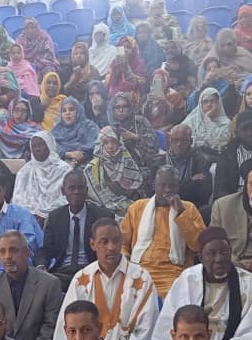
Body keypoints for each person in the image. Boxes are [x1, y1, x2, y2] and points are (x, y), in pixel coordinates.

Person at [54, 217, 159, 340]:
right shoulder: (81, 279)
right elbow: (67, 329)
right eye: (104, 242)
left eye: (116, 241)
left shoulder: (141, 277)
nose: (111, 247)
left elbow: (145, 330)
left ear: (122, 241)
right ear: (92, 244)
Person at [120, 167, 206, 297]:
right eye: (162, 185)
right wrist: (125, 262)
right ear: (154, 186)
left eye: (172, 185)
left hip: (174, 273)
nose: (167, 190)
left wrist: (181, 213)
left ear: (178, 187)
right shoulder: (137, 208)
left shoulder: (188, 208)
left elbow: (199, 245)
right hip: (138, 270)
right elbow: (122, 243)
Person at [0, 230, 62, 340]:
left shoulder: (50, 284)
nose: (8, 256)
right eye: (2, 252)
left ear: (27, 253)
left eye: (13, 250)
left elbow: (51, 327)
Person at [38, 170, 113, 287]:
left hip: (92, 270)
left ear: (86, 191)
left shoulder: (102, 216)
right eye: (72, 188)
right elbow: (47, 249)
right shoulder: (55, 217)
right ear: (63, 191)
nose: (76, 192)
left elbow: (109, 247)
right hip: (62, 271)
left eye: (80, 188)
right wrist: (41, 266)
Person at [84, 126, 146, 219]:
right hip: (102, 210)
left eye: (113, 142)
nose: (110, 146)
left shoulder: (128, 162)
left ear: (119, 143)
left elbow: (137, 190)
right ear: (100, 144)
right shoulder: (91, 168)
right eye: (106, 143)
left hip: (130, 206)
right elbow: (92, 197)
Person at [12, 132, 72, 222]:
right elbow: (17, 199)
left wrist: (47, 214)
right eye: (34, 146)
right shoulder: (25, 171)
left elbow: (69, 198)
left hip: (58, 217)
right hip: (29, 218)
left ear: (49, 145)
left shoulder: (65, 170)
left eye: (41, 145)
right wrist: (32, 214)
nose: (37, 149)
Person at [154, 124, 214, 210]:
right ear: (169, 140)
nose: (179, 144)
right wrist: (190, 181)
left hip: (191, 208)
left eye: (184, 140)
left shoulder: (201, 161)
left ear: (191, 141)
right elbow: (154, 191)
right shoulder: (158, 163)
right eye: (175, 140)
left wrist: (169, 188)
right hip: (162, 207)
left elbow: (203, 193)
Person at [107, 92, 158, 177]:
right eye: (117, 107)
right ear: (113, 109)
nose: (121, 110)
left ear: (130, 108)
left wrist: (135, 137)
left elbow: (153, 145)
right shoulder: (108, 126)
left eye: (124, 106)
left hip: (141, 166)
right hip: (115, 167)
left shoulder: (140, 121)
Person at [204, 28, 252, 109]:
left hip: (245, 90)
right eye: (222, 45)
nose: (226, 48)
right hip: (220, 94)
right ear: (218, 45)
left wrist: (240, 80)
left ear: (235, 43)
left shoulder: (244, 55)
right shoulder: (213, 56)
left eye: (229, 44)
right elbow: (204, 76)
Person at [182, 87, 233, 155]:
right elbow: (182, 139)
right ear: (201, 104)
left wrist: (208, 121)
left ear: (218, 102)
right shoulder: (192, 120)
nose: (209, 104)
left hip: (216, 158)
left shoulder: (225, 123)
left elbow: (219, 145)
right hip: (191, 157)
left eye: (212, 101)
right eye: (205, 101)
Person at [52, 98, 100, 168]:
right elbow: (51, 149)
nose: (67, 113)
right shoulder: (56, 131)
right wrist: (68, 154)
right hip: (60, 167)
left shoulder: (89, 127)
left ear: (78, 111)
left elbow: (93, 146)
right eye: (64, 111)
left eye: (71, 109)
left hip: (87, 165)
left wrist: (76, 160)